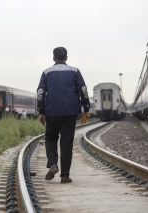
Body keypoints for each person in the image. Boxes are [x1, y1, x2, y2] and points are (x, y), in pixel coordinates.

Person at [36, 47, 90, 184]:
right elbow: (83, 90)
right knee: (66, 143)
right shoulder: (75, 71)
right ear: (66, 58)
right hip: (70, 112)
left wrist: (41, 111)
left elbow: (41, 92)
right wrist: (86, 108)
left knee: (51, 138)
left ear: (53, 58)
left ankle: (53, 164)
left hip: (52, 112)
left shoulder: (47, 72)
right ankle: (65, 176)